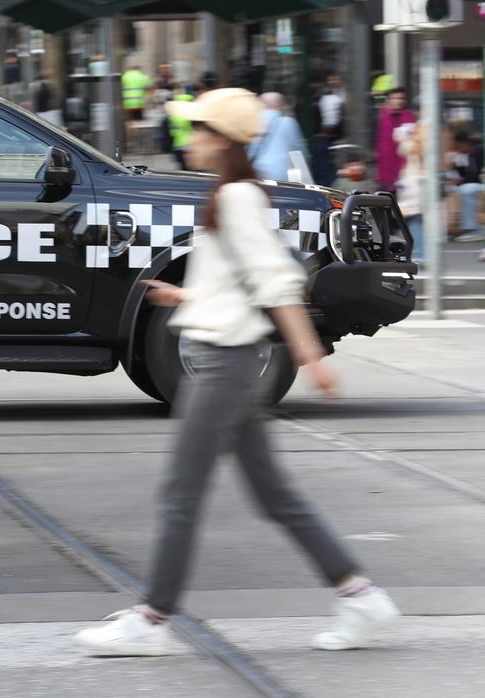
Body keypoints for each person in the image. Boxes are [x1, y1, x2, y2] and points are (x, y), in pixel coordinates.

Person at [73, 87, 400, 657]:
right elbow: (237, 278)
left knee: (181, 494)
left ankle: (151, 619)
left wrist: (310, 356)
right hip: (230, 360)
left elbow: (275, 281)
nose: (191, 140)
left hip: (227, 366)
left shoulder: (242, 198)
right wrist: (186, 293)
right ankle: (360, 595)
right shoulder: (226, 194)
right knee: (276, 496)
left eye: (200, 131)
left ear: (225, 140)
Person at [249, 92, 309, 182]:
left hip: (258, 172)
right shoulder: (288, 122)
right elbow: (298, 152)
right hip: (281, 173)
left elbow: (250, 150)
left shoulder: (253, 121)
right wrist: (301, 179)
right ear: (279, 105)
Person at [395, 122, 428, 263]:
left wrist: (406, 138)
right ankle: (420, 252)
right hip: (413, 182)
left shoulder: (421, 134)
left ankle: (420, 253)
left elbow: (413, 149)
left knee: (415, 218)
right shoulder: (418, 132)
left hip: (418, 182)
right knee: (414, 219)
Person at [375, 88, 416, 192]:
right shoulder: (380, 116)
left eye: (401, 98)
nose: (399, 101)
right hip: (385, 164)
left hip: (404, 165)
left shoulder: (410, 117)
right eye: (395, 98)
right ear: (388, 100)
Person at [448, 132, 483, 241]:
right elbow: (455, 172)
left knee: (467, 190)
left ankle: (471, 228)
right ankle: (457, 227)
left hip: (477, 183)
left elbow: (476, 174)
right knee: (452, 190)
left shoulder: (479, 153)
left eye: (460, 145)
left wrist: (462, 179)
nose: (459, 148)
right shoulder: (459, 156)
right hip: (464, 184)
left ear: (467, 144)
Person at [167, 85, 195, 170]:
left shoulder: (173, 112)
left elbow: (171, 132)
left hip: (178, 145)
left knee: (184, 171)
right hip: (191, 144)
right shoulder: (193, 109)